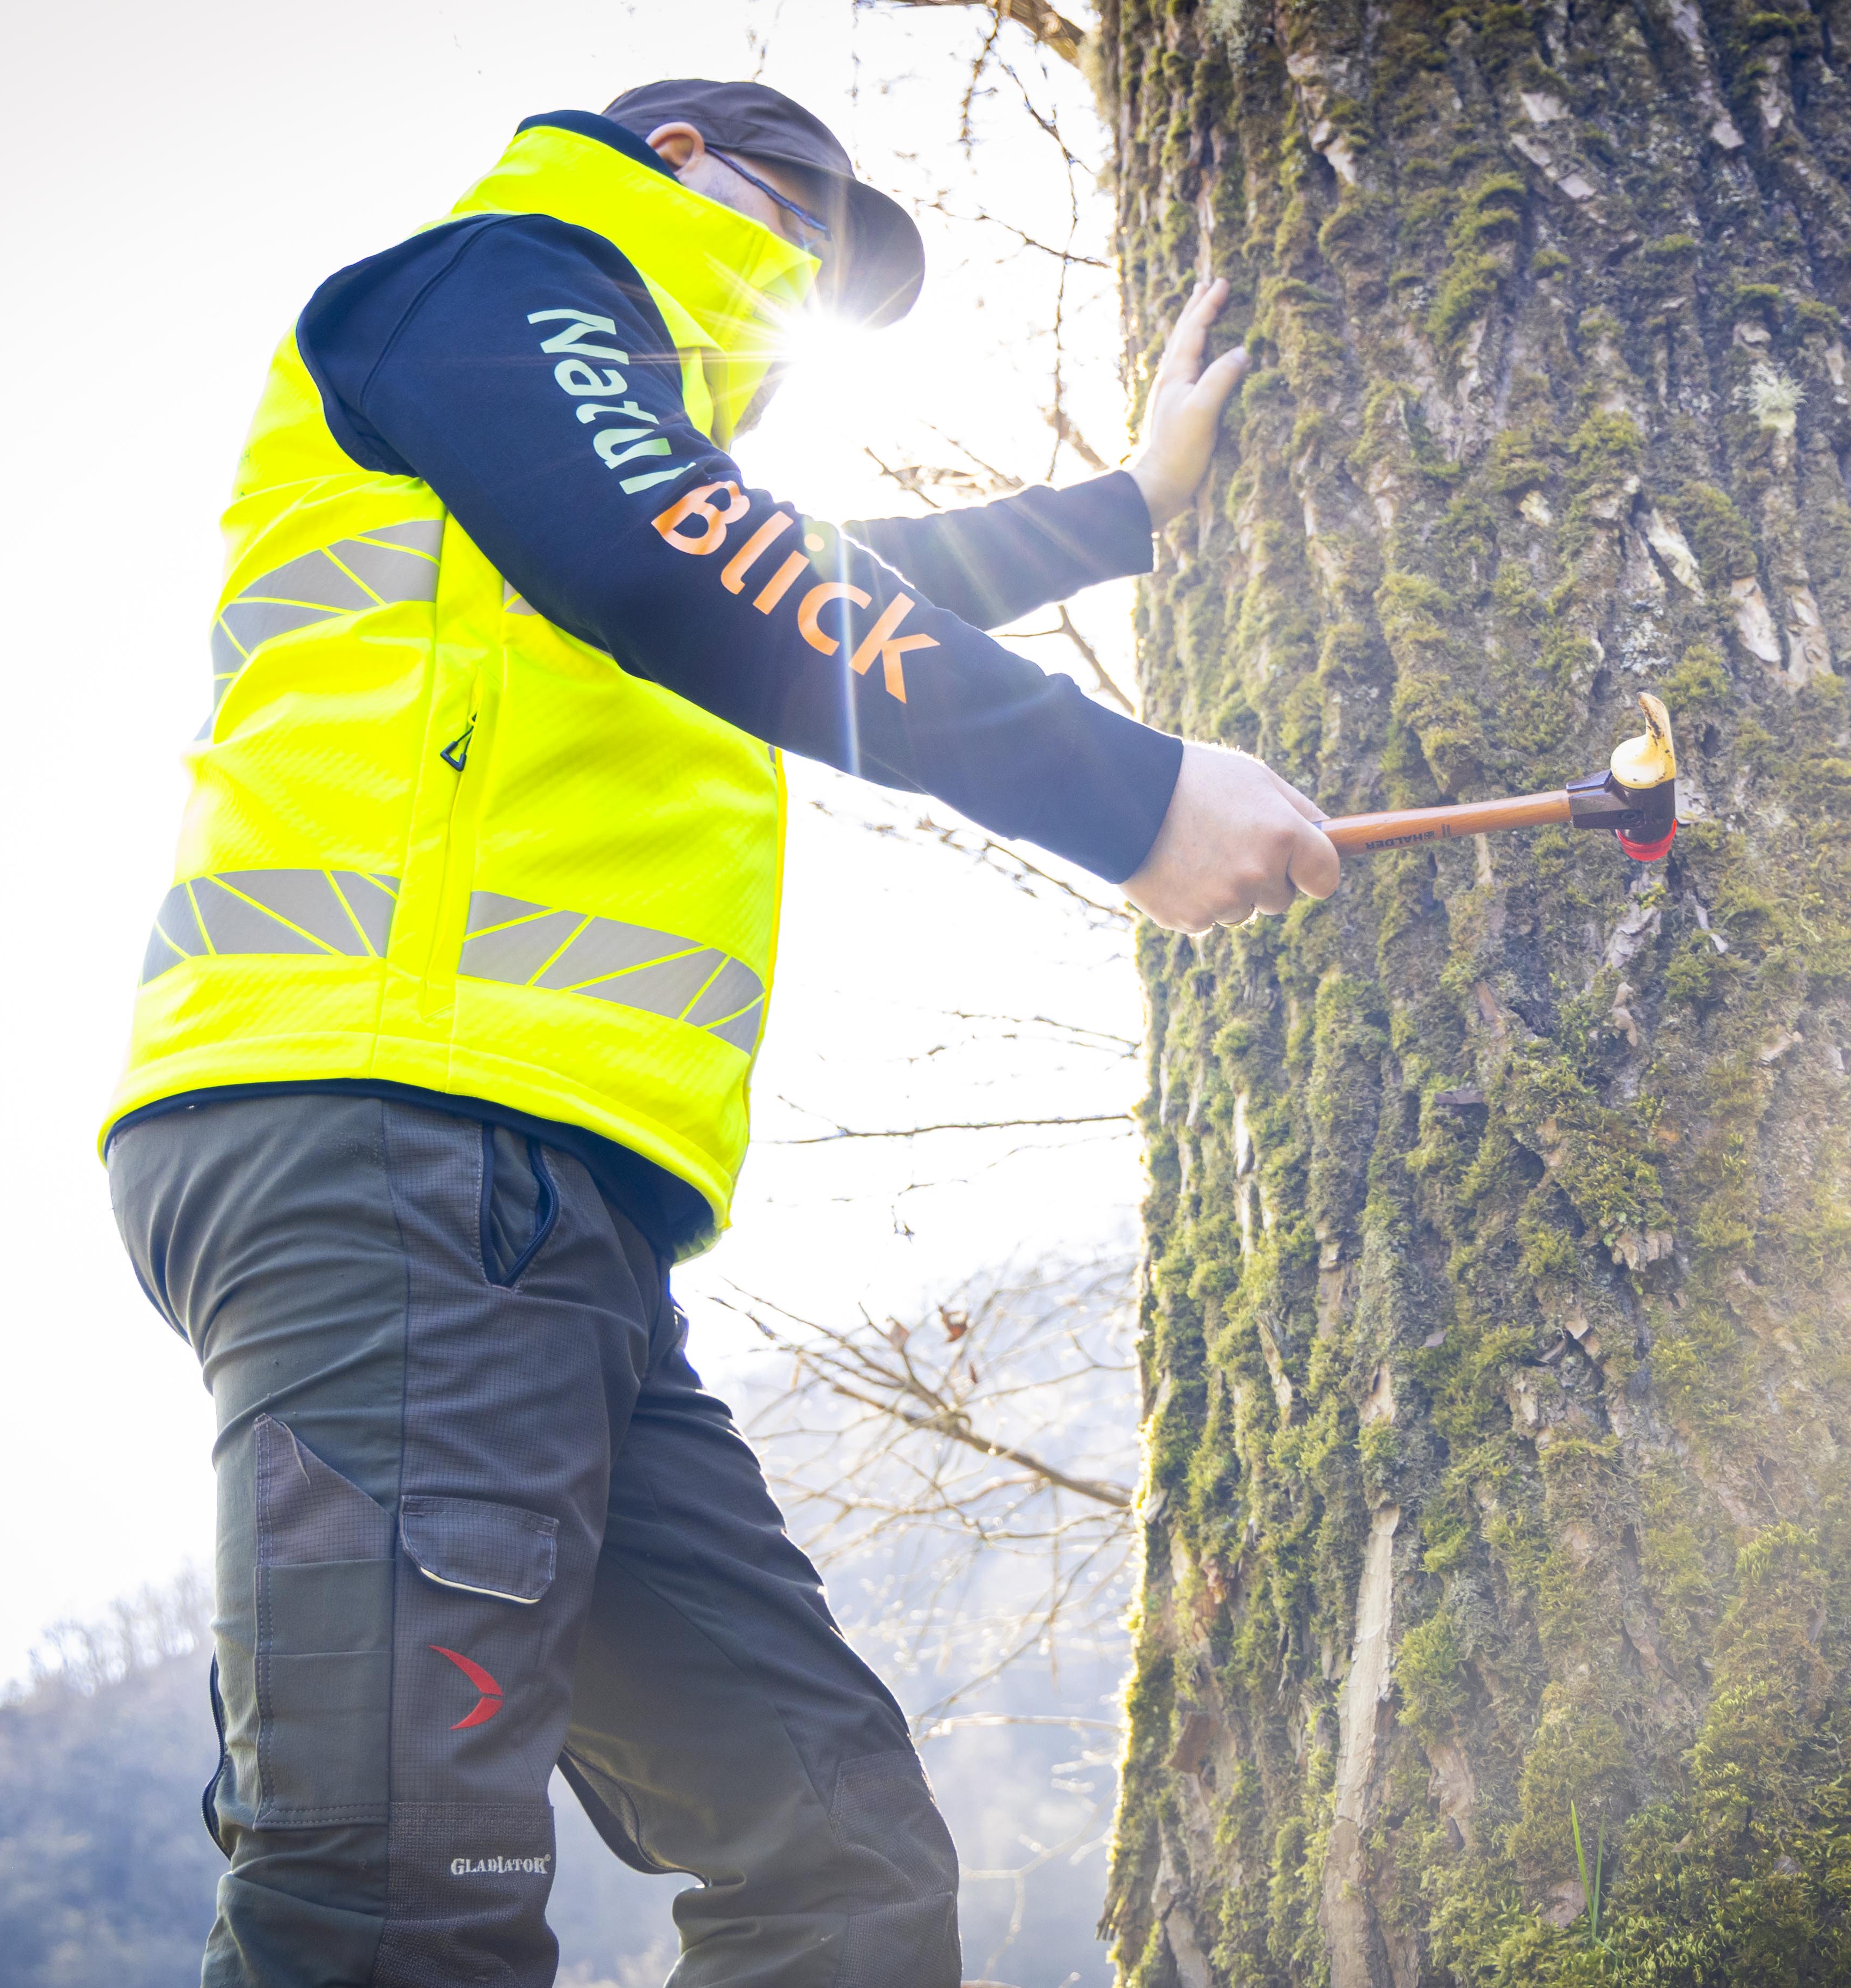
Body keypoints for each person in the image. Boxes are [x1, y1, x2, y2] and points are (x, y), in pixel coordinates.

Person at [102, 78, 1338, 1988]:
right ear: (675, 160)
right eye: (800, 220)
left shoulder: (631, 457)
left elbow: (793, 567)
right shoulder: (490, 286)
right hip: (395, 1134)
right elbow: (679, 551)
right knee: (390, 1903)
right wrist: (1130, 794)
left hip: (551, 1214)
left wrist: (1132, 511)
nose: (805, 275)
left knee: (836, 1865)